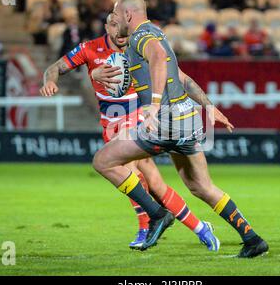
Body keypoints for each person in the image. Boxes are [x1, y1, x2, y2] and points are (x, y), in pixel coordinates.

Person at [92, 0, 269, 257]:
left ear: (128, 14)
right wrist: (209, 106)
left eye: (116, 15)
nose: (115, 20)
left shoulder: (143, 37)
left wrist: (152, 104)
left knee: (103, 161)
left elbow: (157, 58)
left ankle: (157, 214)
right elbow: (182, 78)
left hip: (166, 121)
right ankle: (252, 239)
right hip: (187, 118)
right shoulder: (156, 33)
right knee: (201, 186)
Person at [40, 14, 222, 251]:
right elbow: (54, 68)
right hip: (111, 124)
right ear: (106, 26)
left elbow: (174, 75)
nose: (120, 31)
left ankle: (147, 226)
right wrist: (51, 81)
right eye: (114, 25)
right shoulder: (89, 48)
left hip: (138, 120)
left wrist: (205, 106)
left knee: (136, 173)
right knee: (153, 185)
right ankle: (200, 228)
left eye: (123, 25)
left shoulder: (139, 47)